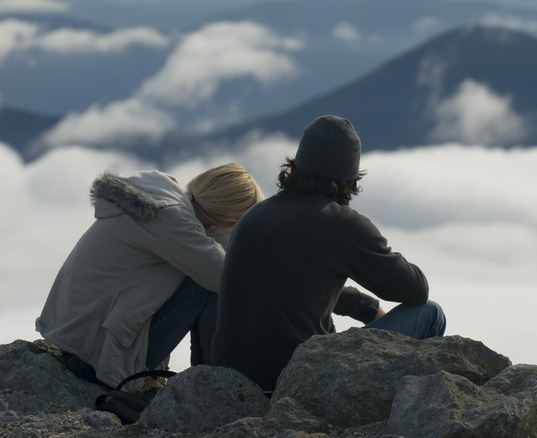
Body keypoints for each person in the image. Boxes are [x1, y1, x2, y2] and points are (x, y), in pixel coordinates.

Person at [212, 115, 446, 393]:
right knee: (431, 313)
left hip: (231, 378)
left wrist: (366, 307)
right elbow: (416, 291)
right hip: (294, 381)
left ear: (296, 165)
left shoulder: (254, 216)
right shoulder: (343, 224)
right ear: (351, 177)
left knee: (324, 320)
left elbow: (293, 286)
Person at [36, 163, 263, 390]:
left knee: (210, 264)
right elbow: (229, 279)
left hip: (75, 346)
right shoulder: (171, 221)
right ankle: (211, 385)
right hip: (94, 359)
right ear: (226, 218)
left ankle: (206, 377)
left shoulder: (161, 197)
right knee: (212, 281)